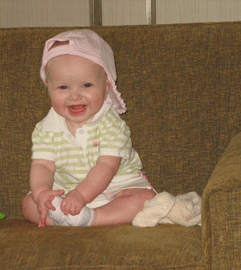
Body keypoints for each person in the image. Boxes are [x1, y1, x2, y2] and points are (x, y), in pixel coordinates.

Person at [21, 29, 156, 227]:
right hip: (64, 192)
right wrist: (42, 193)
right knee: (28, 204)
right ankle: (61, 216)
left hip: (115, 190)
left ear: (106, 88)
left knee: (145, 199)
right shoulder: (45, 129)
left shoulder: (112, 125)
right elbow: (43, 165)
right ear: (48, 88)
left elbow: (107, 166)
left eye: (86, 85)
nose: (75, 96)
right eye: (63, 87)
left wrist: (81, 195)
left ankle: (92, 218)